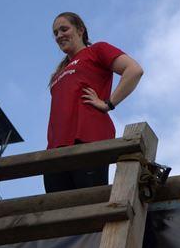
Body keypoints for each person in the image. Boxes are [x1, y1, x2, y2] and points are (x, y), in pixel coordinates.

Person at [45, 12, 144, 193]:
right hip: (54, 151)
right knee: (58, 208)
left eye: (64, 29)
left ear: (80, 30)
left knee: (89, 205)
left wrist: (109, 103)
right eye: (55, 33)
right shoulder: (57, 74)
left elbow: (134, 70)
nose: (59, 35)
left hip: (87, 140)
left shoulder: (97, 51)